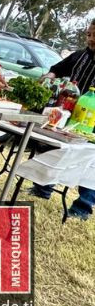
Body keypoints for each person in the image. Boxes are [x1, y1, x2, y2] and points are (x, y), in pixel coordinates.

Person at [30, 19, 95, 219]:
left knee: (91, 162)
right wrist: (49, 76)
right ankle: (42, 188)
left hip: (91, 122)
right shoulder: (79, 56)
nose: (91, 40)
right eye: (89, 35)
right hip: (67, 114)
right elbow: (57, 69)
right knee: (52, 149)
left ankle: (83, 207)